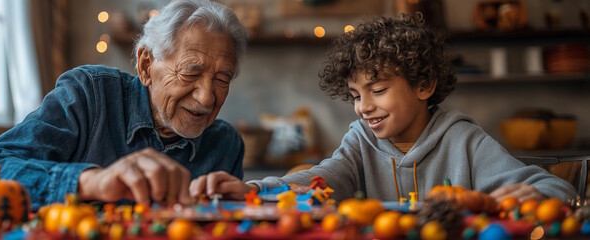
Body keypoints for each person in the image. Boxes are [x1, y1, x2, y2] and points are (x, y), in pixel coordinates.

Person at [189, 13, 576, 203]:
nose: (364, 107)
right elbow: (321, 179)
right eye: (357, 95)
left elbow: (552, 187)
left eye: (378, 90)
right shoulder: (360, 141)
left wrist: (537, 195)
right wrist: (252, 191)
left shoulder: (463, 139)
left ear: (424, 85)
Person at [0, 0, 249, 209]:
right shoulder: (88, 96)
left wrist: (246, 202)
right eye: (191, 72)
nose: (207, 97)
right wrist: (92, 182)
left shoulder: (226, 145)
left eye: (222, 79)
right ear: (146, 66)